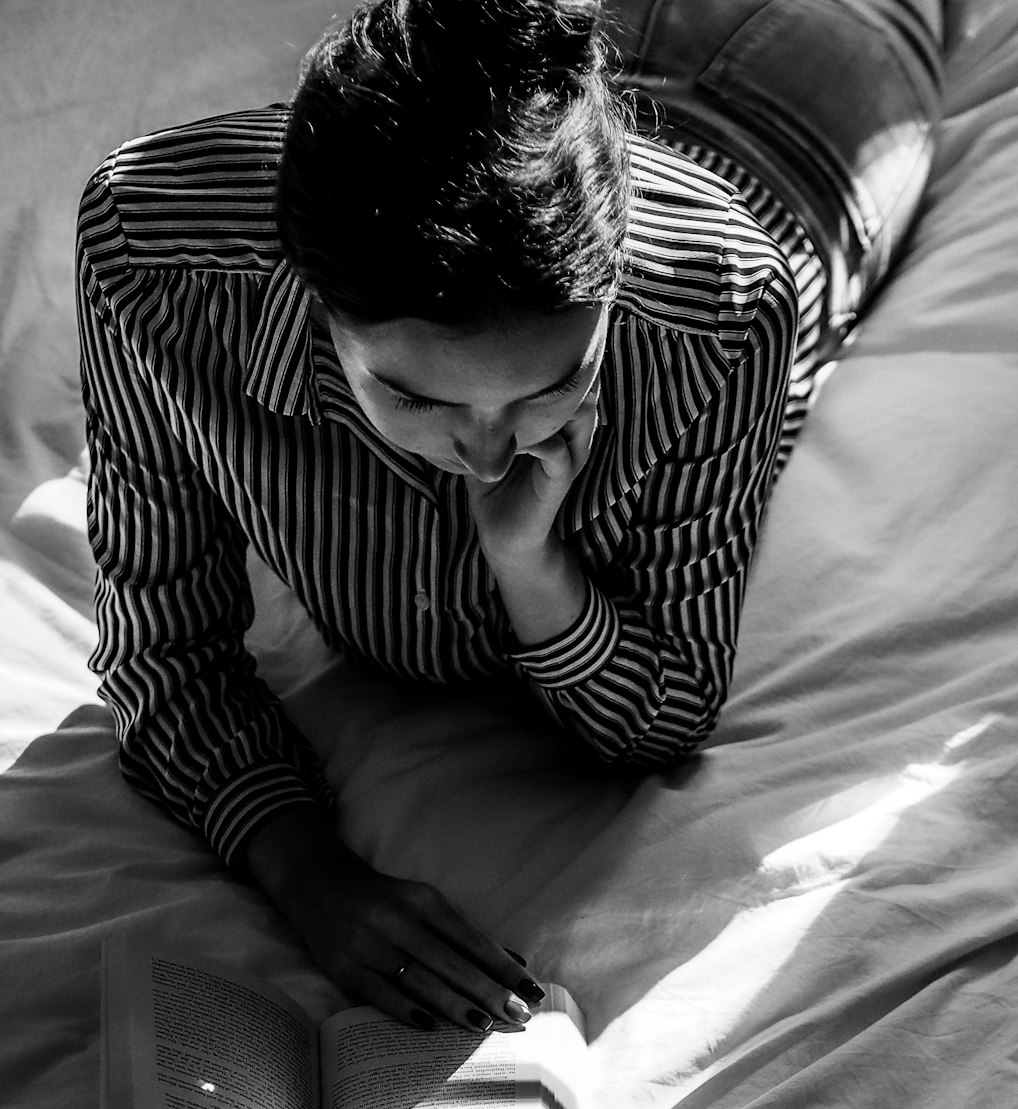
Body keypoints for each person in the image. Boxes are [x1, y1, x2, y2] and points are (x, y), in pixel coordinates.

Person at [76, 0, 945, 1032]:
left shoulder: (723, 306)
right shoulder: (153, 262)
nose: (488, 456)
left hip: (803, 86)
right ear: (312, 300)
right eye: (417, 399)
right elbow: (159, 653)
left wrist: (533, 570)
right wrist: (306, 871)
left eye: (552, 385)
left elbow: (663, 711)